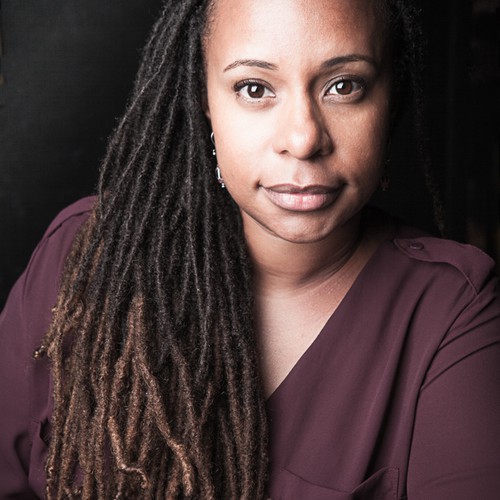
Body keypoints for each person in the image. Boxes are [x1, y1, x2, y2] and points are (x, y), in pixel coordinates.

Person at [1, 0, 499, 498]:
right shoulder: (86, 255)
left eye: (344, 86)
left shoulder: (454, 313)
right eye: (254, 89)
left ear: (391, 98)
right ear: (204, 98)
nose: (302, 139)